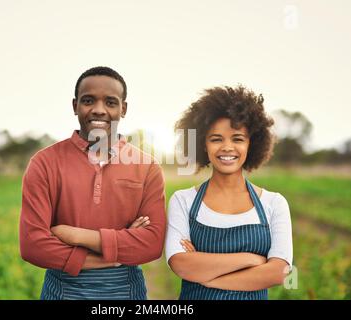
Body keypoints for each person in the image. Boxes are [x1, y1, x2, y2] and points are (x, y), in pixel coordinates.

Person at [19, 66, 166, 300]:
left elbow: (152, 244)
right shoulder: (44, 163)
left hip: (125, 292)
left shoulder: (147, 167)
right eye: (88, 101)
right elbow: (33, 246)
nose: (99, 110)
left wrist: (75, 235)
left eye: (110, 102)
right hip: (63, 290)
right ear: (75, 105)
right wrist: (115, 256)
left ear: (123, 108)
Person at [165, 85, 293, 300]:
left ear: (251, 144)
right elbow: (181, 264)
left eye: (237, 139)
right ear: (203, 144)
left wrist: (206, 277)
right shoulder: (183, 200)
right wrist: (250, 259)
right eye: (216, 139)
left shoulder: (274, 203)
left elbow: (278, 272)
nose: (227, 147)